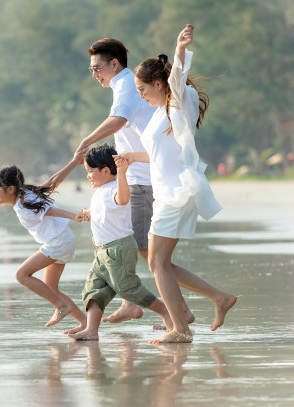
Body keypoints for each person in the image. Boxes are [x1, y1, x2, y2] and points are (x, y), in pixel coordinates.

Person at [115, 24, 236, 343]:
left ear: (159, 83)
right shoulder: (159, 113)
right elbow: (159, 155)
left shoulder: (177, 103)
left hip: (177, 192)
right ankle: (218, 298)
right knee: (160, 262)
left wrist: (180, 48)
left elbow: (178, 76)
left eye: (143, 89)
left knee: (156, 262)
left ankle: (180, 329)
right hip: (168, 191)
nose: (140, 95)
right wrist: (130, 157)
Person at [74, 37, 186, 325]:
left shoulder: (125, 84)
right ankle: (130, 303)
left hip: (144, 177)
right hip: (138, 174)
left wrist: (87, 140)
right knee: (137, 243)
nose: (95, 74)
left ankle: (183, 310)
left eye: (97, 68)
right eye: (91, 70)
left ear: (114, 63)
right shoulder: (124, 84)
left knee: (151, 255)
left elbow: (119, 118)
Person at [68, 144, 173, 341]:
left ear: (106, 171)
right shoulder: (99, 192)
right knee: (93, 290)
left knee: (128, 288)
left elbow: (123, 199)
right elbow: (105, 214)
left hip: (119, 250)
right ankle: (91, 330)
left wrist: (123, 172)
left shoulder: (113, 189)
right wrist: (89, 214)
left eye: (90, 171)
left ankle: (167, 312)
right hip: (102, 252)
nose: (88, 176)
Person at [0, 156, 87, 331]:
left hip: (58, 242)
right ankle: (84, 323)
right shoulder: (26, 195)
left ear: (10, 188)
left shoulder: (22, 205)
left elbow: (49, 210)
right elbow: (52, 183)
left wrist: (74, 216)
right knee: (51, 287)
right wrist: (73, 162)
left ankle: (61, 306)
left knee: (21, 275)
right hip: (62, 239)